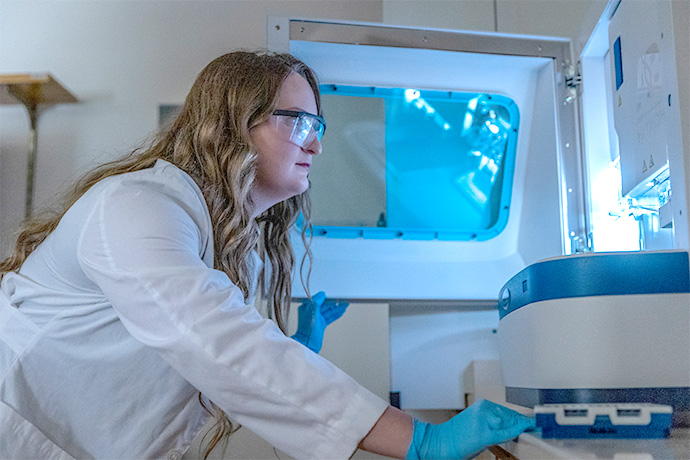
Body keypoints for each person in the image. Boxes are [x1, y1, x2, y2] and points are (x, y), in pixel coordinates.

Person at [0, 51, 534, 460]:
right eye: (298, 122)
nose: (316, 145)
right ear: (233, 123)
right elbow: (220, 343)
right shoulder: (136, 206)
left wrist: (294, 348)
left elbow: (223, 365)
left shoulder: (235, 249)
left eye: (317, 126)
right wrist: (417, 440)